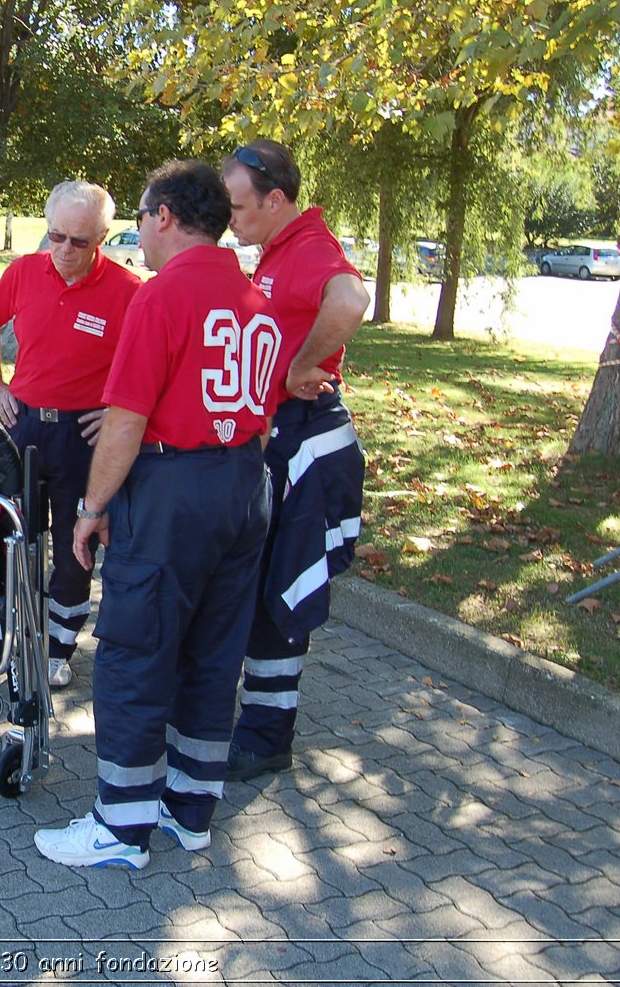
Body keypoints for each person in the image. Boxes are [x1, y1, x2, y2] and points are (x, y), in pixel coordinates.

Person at [33, 159, 281, 869]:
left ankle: (121, 826)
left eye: (139, 218)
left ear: (164, 216)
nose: (136, 232)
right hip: (242, 484)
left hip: (175, 489)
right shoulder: (253, 296)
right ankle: (189, 808)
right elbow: (260, 418)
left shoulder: (162, 296)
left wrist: (92, 507)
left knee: (136, 651)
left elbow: (124, 422)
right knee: (212, 652)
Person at [219, 140, 369, 782]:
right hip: (280, 437)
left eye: (239, 206)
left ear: (275, 200)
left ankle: (266, 735)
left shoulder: (309, 249)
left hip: (303, 440)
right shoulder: (278, 249)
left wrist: (302, 367)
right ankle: (257, 722)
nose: (231, 218)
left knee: (283, 590)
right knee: (263, 587)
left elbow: (349, 301)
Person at [0, 180, 143, 687]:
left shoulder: (131, 294)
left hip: (85, 439)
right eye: (55, 236)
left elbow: (158, 364)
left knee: (73, 544)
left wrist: (118, 410)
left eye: (79, 242)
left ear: (104, 236)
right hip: (22, 425)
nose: (64, 250)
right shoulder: (23, 272)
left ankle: (58, 642)